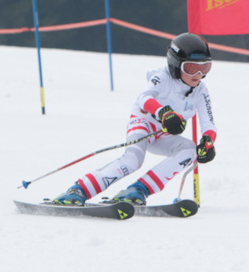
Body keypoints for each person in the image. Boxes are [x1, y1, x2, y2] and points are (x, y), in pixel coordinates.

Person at [52, 33, 217, 206]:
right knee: (133, 161)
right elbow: (144, 98)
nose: (198, 74)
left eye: (205, 68)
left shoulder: (201, 90)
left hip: (163, 134)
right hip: (143, 124)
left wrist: (208, 141)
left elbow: (208, 123)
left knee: (189, 150)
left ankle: (138, 189)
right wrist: (164, 113)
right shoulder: (162, 77)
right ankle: (79, 190)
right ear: (175, 64)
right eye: (190, 68)